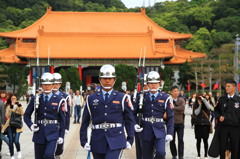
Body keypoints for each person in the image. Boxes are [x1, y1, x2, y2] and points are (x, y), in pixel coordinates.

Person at [80, 64, 135, 159]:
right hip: (97, 139)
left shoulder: (122, 97)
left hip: (116, 138)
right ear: (100, 79)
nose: (107, 81)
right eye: (104, 78)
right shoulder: (91, 98)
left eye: (110, 78)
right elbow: (85, 121)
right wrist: (83, 141)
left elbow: (129, 120)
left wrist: (130, 139)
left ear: (115, 79)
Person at [24, 72, 65, 159]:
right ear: (41, 85)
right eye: (44, 84)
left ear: (53, 85)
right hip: (39, 133)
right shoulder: (35, 98)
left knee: (49, 155)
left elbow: (62, 120)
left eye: (49, 84)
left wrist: (61, 135)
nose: (47, 86)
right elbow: (26, 115)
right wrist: (31, 125)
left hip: (53, 133)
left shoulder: (59, 99)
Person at [134, 71, 174, 159]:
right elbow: (133, 113)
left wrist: (170, 133)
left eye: (155, 83)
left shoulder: (165, 98)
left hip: (159, 130)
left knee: (161, 153)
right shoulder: (141, 96)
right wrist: (135, 123)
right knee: (147, 156)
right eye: (151, 83)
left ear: (159, 84)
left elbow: (170, 117)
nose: (153, 85)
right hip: (145, 130)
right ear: (147, 84)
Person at [214, 80, 240, 159]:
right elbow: (216, 110)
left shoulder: (238, 100)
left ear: (234, 88)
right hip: (223, 127)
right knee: (222, 147)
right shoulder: (222, 99)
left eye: (229, 86)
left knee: (235, 148)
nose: (226, 88)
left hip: (235, 128)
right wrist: (219, 117)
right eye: (226, 86)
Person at [52, 73, 71, 159]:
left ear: (60, 84)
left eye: (57, 83)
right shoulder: (47, 96)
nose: (55, 85)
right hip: (51, 123)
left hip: (61, 124)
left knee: (59, 145)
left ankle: (57, 155)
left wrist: (67, 127)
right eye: (53, 83)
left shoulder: (65, 97)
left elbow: (67, 113)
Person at [2, 93, 24, 159]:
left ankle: (19, 151)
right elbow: (7, 115)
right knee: (11, 141)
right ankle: (12, 155)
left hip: (17, 125)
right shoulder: (8, 106)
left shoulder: (19, 105)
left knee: (16, 141)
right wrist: (11, 106)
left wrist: (19, 106)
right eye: (12, 99)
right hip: (10, 125)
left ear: (16, 99)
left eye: (14, 98)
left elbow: (22, 113)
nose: (13, 100)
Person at [193, 94, 212, 159]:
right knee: (198, 140)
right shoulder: (195, 105)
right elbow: (196, 113)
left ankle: (206, 154)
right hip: (198, 124)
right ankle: (198, 154)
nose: (199, 100)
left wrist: (204, 100)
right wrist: (200, 105)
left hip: (205, 125)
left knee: (205, 140)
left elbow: (209, 107)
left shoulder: (206, 105)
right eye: (198, 99)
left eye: (200, 99)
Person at [170, 86, 185, 159]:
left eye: (177, 91)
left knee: (181, 139)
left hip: (180, 122)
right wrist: (177, 109)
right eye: (174, 91)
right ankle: (174, 154)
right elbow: (168, 110)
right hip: (171, 123)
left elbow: (182, 109)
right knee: (172, 140)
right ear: (171, 92)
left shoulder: (181, 100)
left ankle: (181, 155)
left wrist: (173, 108)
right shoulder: (169, 100)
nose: (176, 92)